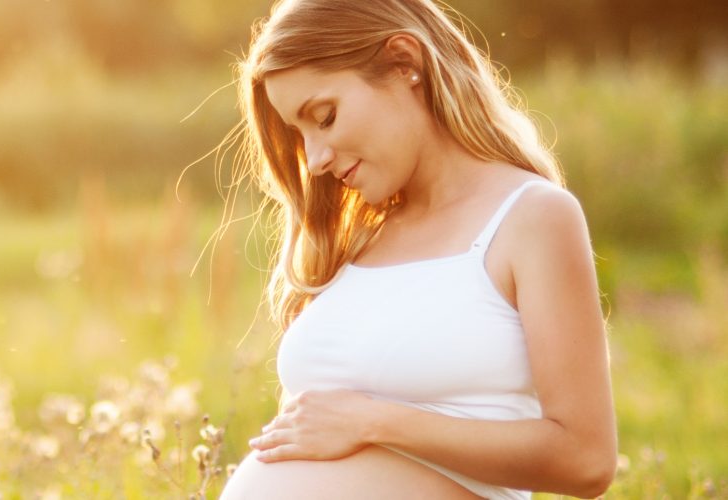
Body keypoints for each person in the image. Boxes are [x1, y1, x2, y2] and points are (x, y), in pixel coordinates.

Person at [217, 0, 617, 499]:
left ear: (405, 62)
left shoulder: (532, 217)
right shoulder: (354, 242)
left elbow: (586, 459)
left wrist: (374, 422)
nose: (315, 159)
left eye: (325, 116)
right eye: (300, 135)